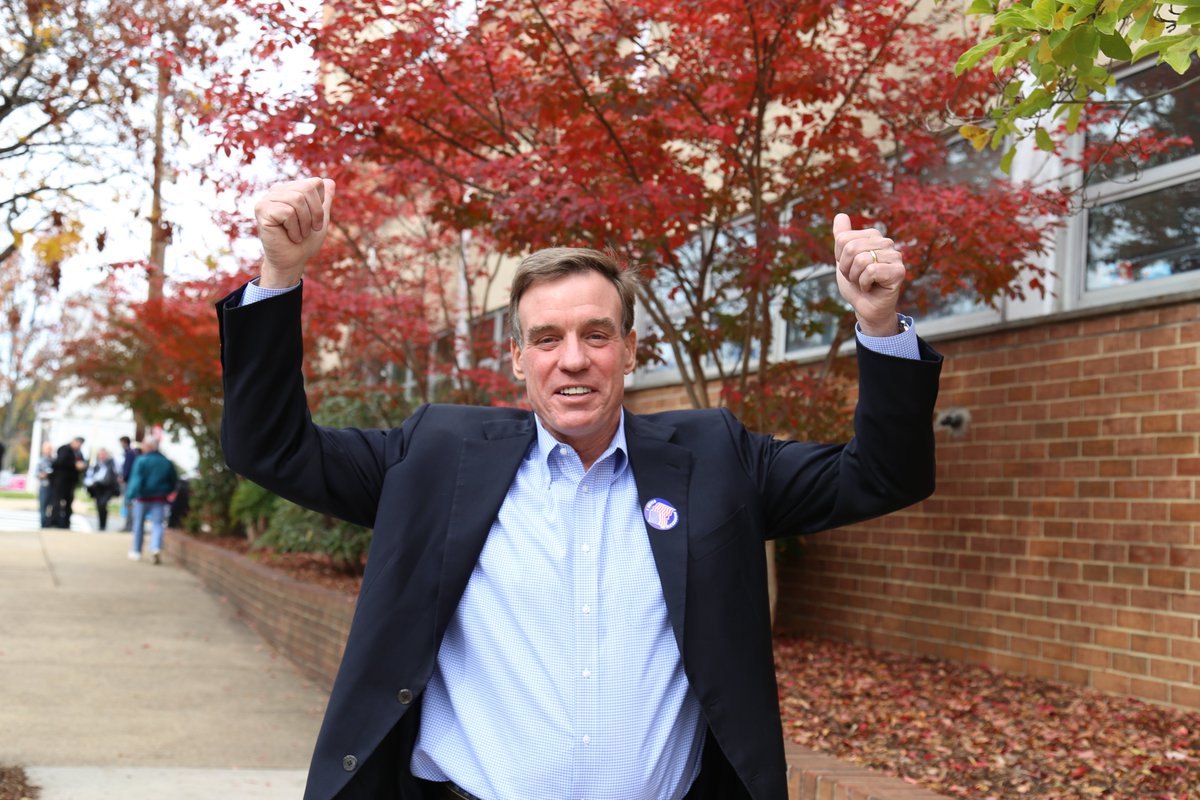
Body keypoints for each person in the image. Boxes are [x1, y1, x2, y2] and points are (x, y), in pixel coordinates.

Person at [218, 178, 942, 800]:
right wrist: (280, 274)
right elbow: (270, 448)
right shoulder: (436, 456)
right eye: (546, 339)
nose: (573, 361)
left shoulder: (715, 458)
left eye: (597, 335)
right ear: (517, 357)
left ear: (629, 350)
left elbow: (883, 475)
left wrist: (877, 321)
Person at [124, 438, 177, 564]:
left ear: (148, 447)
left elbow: (135, 480)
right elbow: (173, 480)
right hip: (160, 498)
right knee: (158, 524)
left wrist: (129, 496)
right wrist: (167, 491)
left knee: (138, 524)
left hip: (142, 498)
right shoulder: (166, 462)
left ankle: (136, 551)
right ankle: (155, 547)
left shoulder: (141, 460)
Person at [48, 437, 86, 529]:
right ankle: (55, 522)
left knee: (68, 503)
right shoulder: (64, 449)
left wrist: (82, 466)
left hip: (71, 482)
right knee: (57, 502)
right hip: (60, 481)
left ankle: (65, 523)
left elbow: (81, 464)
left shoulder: (78, 453)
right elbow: (61, 461)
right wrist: (74, 464)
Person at [83, 447, 121, 531]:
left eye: (104, 454)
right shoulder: (95, 464)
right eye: (101, 454)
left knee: (103, 504)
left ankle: (103, 525)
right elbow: (89, 475)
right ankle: (101, 525)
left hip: (108, 488)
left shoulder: (112, 464)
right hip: (98, 488)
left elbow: (115, 475)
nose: (102, 456)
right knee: (99, 505)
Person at [118, 435, 141, 532]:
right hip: (130, 481)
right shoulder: (132, 452)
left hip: (128, 482)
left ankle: (129, 525)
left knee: (129, 503)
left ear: (124, 442)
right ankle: (130, 525)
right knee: (129, 504)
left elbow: (127, 467)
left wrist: (123, 477)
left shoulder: (129, 453)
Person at [35, 442, 55, 528]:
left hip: (53, 487)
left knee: (53, 506)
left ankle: (49, 522)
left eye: (50, 449)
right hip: (44, 486)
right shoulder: (40, 461)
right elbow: (36, 473)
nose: (49, 450)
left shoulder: (54, 461)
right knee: (43, 506)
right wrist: (42, 475)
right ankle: (43, 524)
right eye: (47, 449)